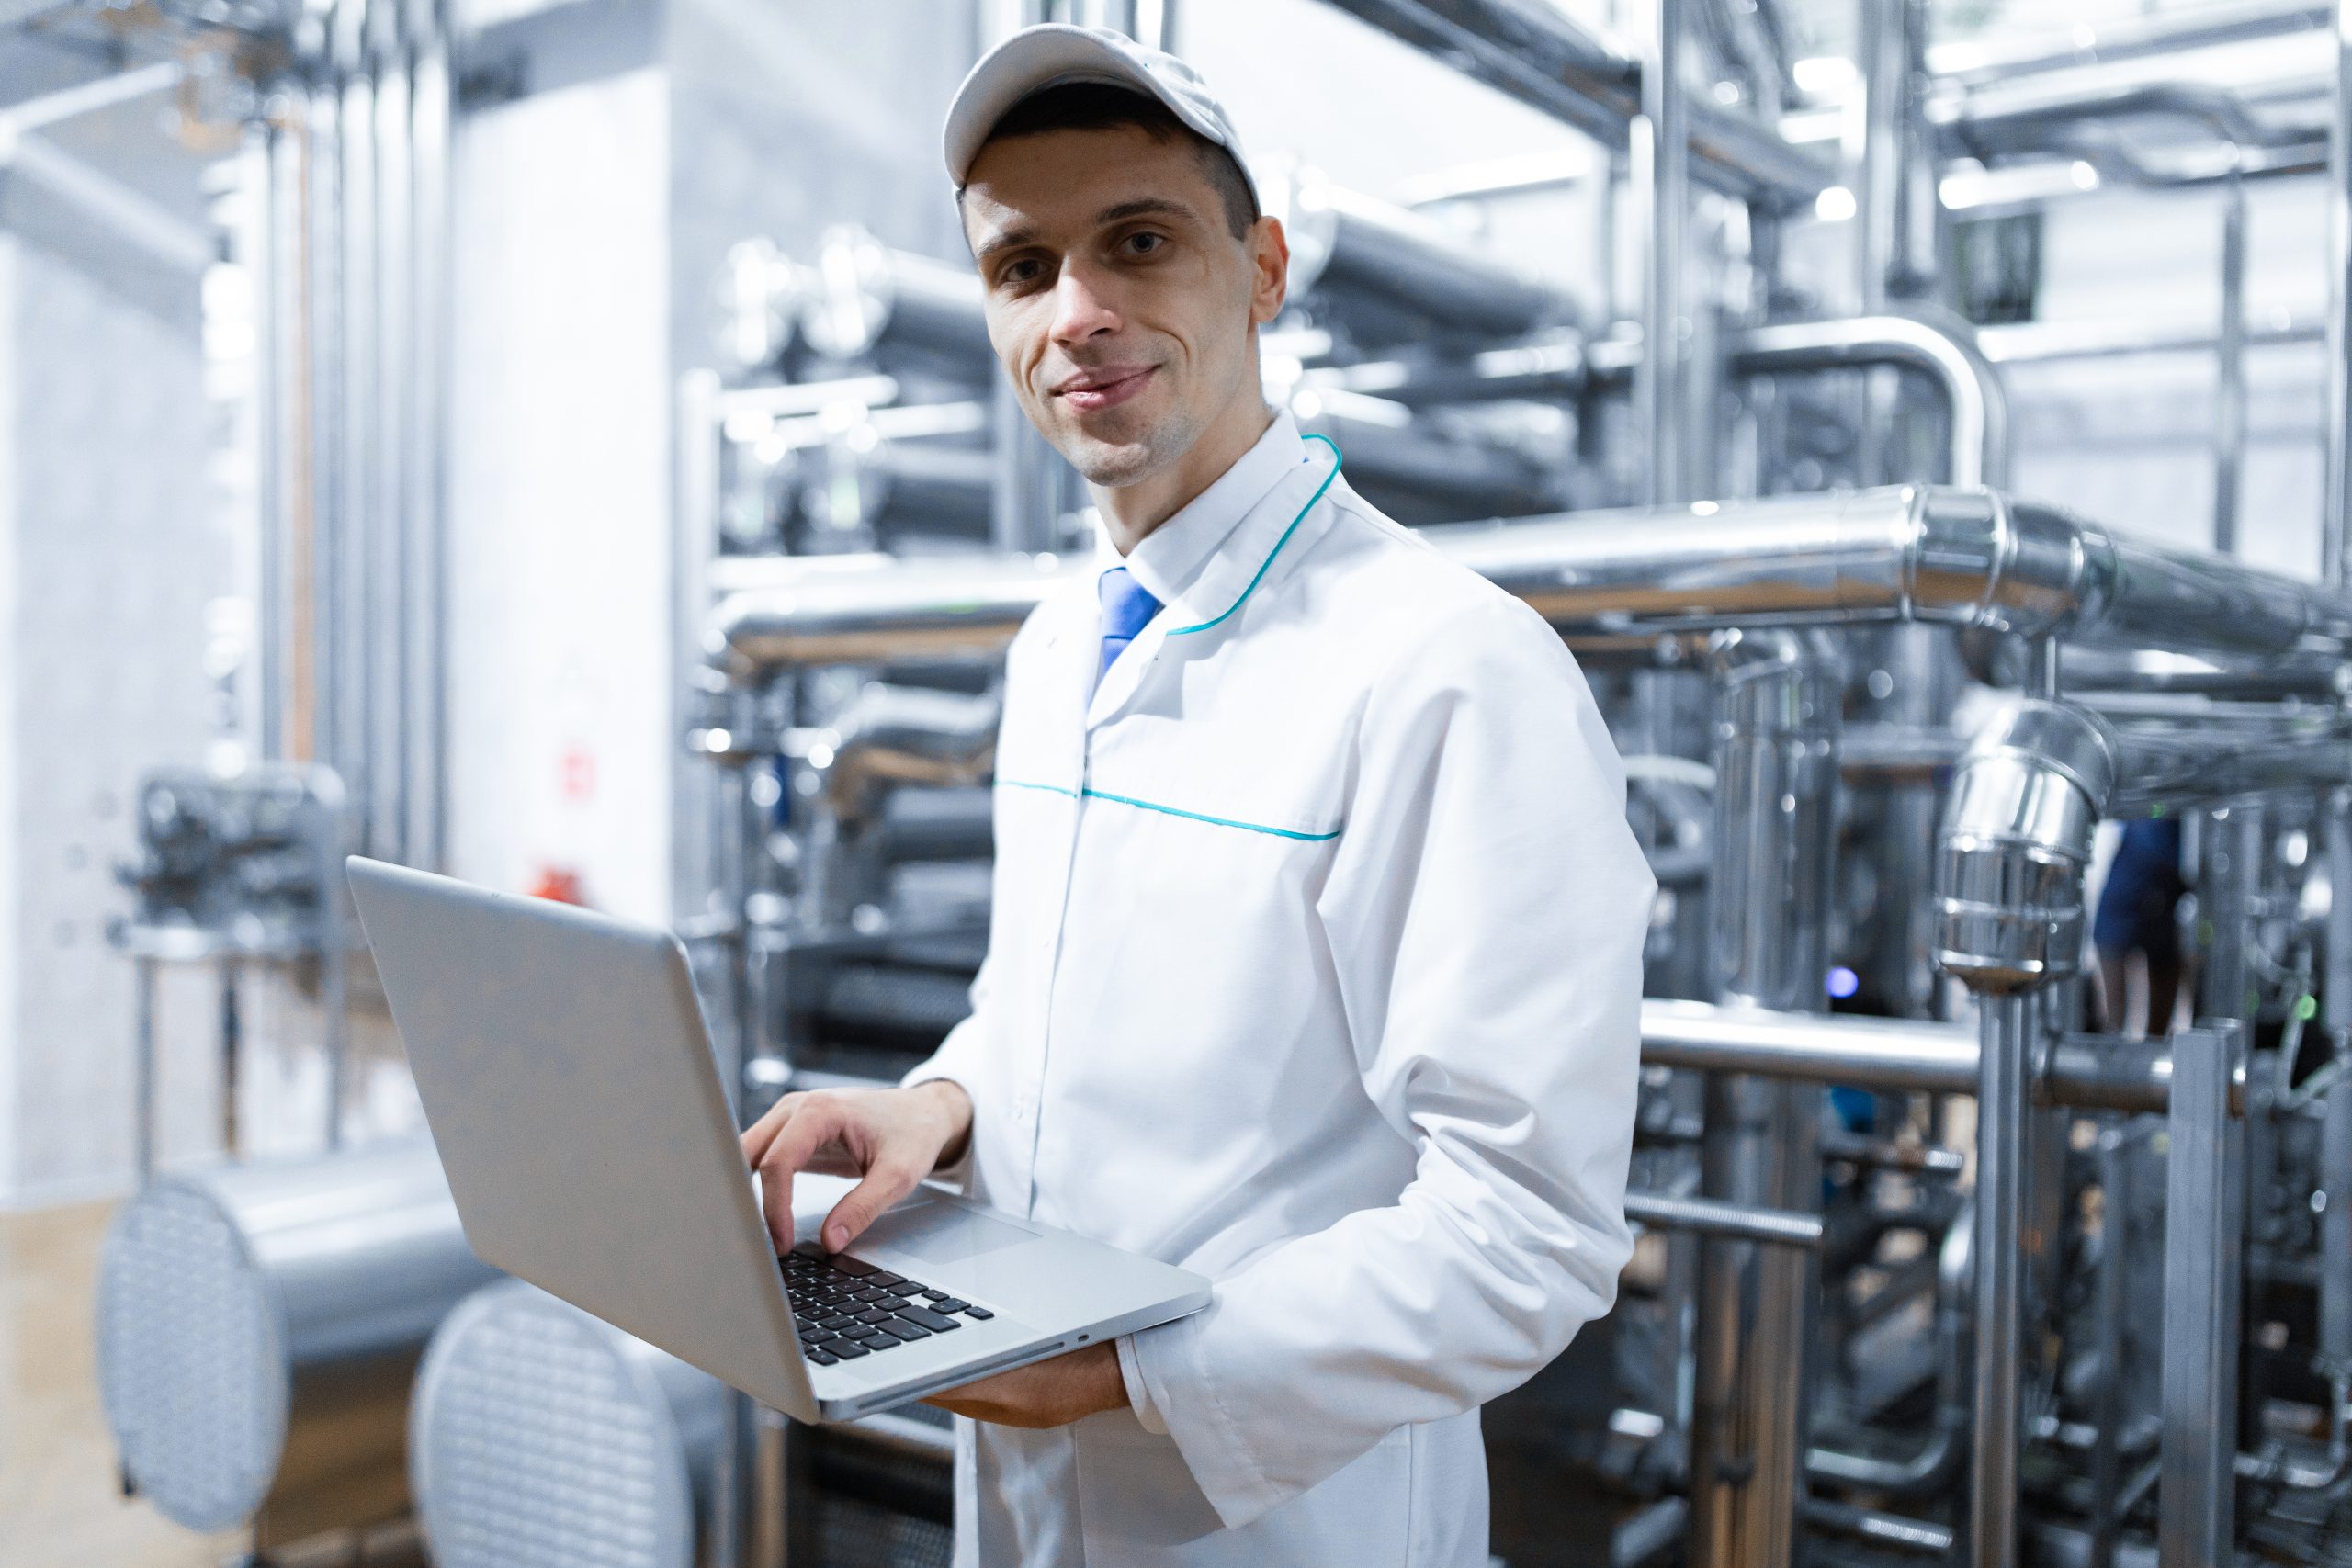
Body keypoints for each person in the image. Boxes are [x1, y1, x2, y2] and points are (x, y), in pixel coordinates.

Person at [739, 24, 1651, 1565]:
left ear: (1264, 269)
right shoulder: (1057, 646)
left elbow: (1529, 1227)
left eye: (1139, 243)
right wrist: (943, 1106)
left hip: (1293, 1521)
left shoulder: (1443, 666)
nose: (1078, 314)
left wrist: (1120, 1375)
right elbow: (1059, 1012)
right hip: (1029, 1505)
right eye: (1022, 269)